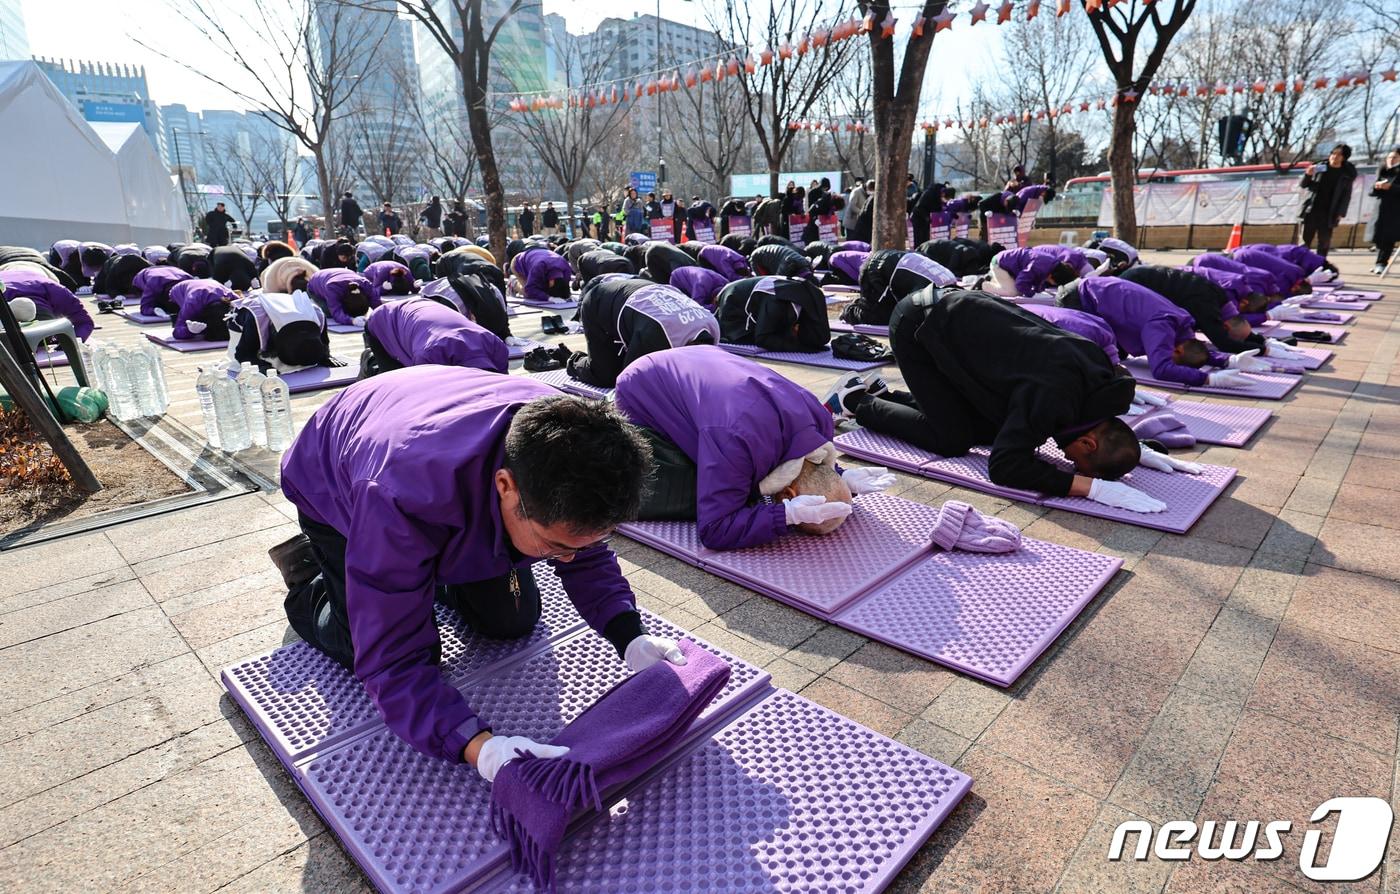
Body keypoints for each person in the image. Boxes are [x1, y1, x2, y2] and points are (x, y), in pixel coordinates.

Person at [269, 370, 678, 772]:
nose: (569, 558)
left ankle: (422, 574)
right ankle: (310, 578)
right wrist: (478, 747)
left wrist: (629, 634)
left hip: (432, 426)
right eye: (554, 547)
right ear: (505, 486)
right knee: (382, 648)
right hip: (336, 477)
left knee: (510, 620)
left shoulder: (570, 445)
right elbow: (391, 663)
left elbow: (584, 550)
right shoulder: (397, 498)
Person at [826, 288, 1168, 512]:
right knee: (952, 439)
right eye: (1077, 461)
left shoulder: (1102, 389)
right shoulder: (1054, 395)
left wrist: (1136, 449)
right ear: (1089, 443)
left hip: (958, 319)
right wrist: (1090, 489)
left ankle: (887, 397)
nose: (1065, 458)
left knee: (988, 432)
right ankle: (857, 400)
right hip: (918, 326)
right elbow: (1004, 466)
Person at [615, 346, 895, 549]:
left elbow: (813, 463)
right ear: (788, 493)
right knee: (694, 489)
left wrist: (841, 476)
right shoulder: (735, 441)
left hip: (697, 358)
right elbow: (713, 529)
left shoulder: (821, 420)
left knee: (733, 484)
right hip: (640, 387)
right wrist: (785, 515)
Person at [1059, 277, 1267, 388]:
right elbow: (1161, 369)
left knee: (1116, 355)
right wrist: (1207, 380)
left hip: (1100, 292)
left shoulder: (1183, 325)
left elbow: (1195, 349)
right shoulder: (1161, 326)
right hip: (1077, 297)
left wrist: (1226, 361)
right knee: (1089, 357)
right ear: (1175, 350)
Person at [566, 278, 719, 387]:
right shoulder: (657, 336)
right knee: (606, 376)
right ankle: (574, 361)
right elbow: (628, 381)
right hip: (597, 300)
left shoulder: (712, 327)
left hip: (644, 292)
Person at [359, 296, 507, 378]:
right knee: (394, 381)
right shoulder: (430, 356)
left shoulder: (497, 348)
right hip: (383, 320)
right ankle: (371, 361)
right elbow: (425, 399)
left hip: (422, 313)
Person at [231, 288, 339, 370]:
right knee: (241, 365)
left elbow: (324, 343)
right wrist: (262, 367)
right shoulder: (256, 319)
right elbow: (241, 354)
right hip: (245, 315)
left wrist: (325, 356)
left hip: (285, 303)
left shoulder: (318, 315)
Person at [715, 275, 830, 351]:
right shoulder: (777, 303)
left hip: (758, 291)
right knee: (746, 336)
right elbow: (763, 339)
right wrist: (801, 348)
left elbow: (821, 336)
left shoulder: (814, 298)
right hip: (733, 298)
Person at [844, 249, 956, 326]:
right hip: (876, 267)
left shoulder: (949, 286)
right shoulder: (929, 294)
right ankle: (848, 310)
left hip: (897, 262)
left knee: (893, 313)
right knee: (873, 316)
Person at [0, 269, 95, 341]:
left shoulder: (59, 293)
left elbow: (85, 322)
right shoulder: (2, 294)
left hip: (39, 271)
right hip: (5, 269)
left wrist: (72, 343)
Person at [1298, 144, 1358, 257]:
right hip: (1311, 209)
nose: (1334, 157)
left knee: (1324, 242)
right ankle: (1301, 263)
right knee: (1304, 241)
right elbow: (1304, 185)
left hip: (1330, 212)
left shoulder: (1346, 174)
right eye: (1333, 153)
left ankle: (1321, 264)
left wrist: (1341, 212)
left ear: (1344, 158)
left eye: (1339, 155)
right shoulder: (1319, 167)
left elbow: (1346, 195)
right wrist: (1308, 175)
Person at [984, 245, 1089, 297]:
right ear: (1053, 276)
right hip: (999, 264)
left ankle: (995, 281)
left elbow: (1038, 280)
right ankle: (984, 285)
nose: (1054, 284)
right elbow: (1021, 283)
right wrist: (1032, 294)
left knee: (1017, 290)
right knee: (1013, 292)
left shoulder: (1052, 265)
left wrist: (1038, 289)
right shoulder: (1038, 266)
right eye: (1056, 283)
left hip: (1010, 265)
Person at [169, 279, 237, 341]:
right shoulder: (192, 303)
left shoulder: (232, 297)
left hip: (205, 283)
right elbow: (177, 331)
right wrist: (189, 331)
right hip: (177, 290)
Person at [308, 267, 379, 325]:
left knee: (339, 312)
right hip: (314, 285)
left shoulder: (366, 284)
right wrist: (352, 321)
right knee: (329, 313)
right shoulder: (333, 287)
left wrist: (378, 315)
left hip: (337, 274)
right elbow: (336, 313)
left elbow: (376, 302)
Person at [1372, 147, 1400, 274]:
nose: (1391, 160)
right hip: (1381, 207)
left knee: (1388, 238)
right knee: (1378, 236)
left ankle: (1381, 263)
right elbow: (1372, 191)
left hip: (1395, 210)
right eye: (1389, 157)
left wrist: (1391, 187)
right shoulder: (1382, 170)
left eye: (1395, 157)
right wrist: (1377, 186)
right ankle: (1379, 261)